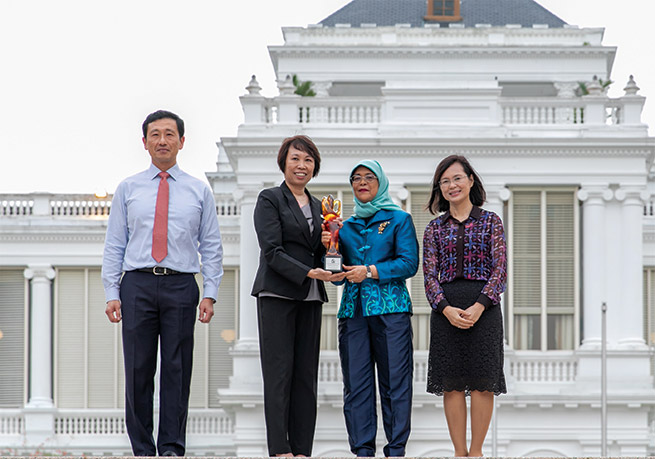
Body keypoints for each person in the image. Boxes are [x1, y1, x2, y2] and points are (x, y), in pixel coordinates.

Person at [102, 110, 223, 457]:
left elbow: (211, 245)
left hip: (181, 286)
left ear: (182, 142)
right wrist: (112, 291)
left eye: (170, 134)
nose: (162, 141)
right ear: (145, 143)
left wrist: (210, 293)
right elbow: (115, 243)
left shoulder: (199, 191)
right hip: (137, 285)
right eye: (155, 134)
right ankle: (142, 449)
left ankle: (171, 447)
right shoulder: (128, 189)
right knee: (138, 368)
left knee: (177, 368)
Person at [251, 135, 334, 457]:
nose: (302, 165)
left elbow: (319, 253)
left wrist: (329, 247)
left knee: (305, 375)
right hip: (278, 293)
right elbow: (271, 250)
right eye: (295, 158)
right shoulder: (270, 198)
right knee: (279, 373)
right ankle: (280, 448)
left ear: (315, 166)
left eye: (308, 160)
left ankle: (302, 449)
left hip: (311, 296)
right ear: (283, 163)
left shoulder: (320, 206)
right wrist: (308, 272)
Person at [331, 159, 419, 458]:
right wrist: (329, 246)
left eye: (369, 177)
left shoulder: (399, 219)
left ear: (380, 182)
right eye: (356, 178)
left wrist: (369, 271)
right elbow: (335, 274)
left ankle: (396, 450)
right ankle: (362, 451)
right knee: (356, 385)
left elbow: (409, 263)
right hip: (352, 313)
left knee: (396, 382)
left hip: (391, 312)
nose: (362, 182)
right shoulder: (344, 227)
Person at [422, 155, 507, 457]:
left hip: (485, 310)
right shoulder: (434, 228)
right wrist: (445, 309)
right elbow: (429, 276)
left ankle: (477, 452)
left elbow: (500, 270)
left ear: (471, 180)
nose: (451, 185)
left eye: (457, 178)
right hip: (445, 311)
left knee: (484, 381)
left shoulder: (491, 221)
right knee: (452, 383)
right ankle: (459, 452)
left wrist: (479, 306)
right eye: (444, 181)